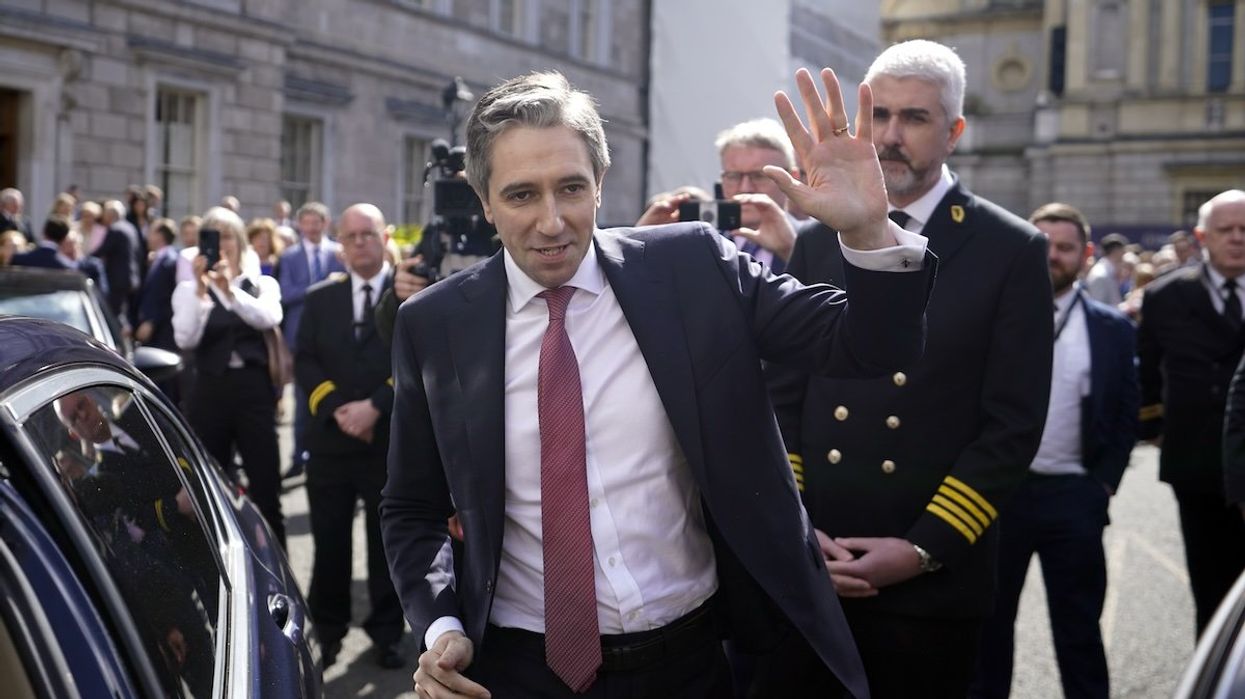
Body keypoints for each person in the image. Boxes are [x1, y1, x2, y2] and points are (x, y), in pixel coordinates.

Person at [382, 68, 935, 699]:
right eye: (521, 195)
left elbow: (869, 348)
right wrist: (441, 625)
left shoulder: (692, 267)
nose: (553, 220)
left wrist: (866, 230)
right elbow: (411, 508)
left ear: (600, 185)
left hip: (692, 662)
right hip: (518, 670)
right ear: (483, 200)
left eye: (570, 187)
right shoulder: (433, 324)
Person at [761, 39, 1053, 698]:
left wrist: (922, 548)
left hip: (929, 577)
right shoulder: (816, 240)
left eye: (914, 119)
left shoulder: (1009, 248)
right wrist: (798, 524)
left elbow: (1011, 424)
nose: (889, 137)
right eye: (879, 117)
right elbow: (782, 401)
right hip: (814, 564)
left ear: (953, 132)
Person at [970, 203, 1138, 699]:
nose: (1052, 257)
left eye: (1065, 248)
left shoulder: (1112, 328)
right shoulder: (985, 319)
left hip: (1074, 497)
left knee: (1080, 629)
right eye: (1042, 246)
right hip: (996, 498)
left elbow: (1125, 413)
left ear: (1086, 255)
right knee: (989, 630)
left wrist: (1103, 484)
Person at [296, 203, 405, 670]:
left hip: (388, 443)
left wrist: (375, 407)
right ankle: (329, 631)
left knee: (388, 546)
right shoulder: (321, 298)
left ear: (385, 238)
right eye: (351, 236)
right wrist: (339, 408)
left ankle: (387, 634)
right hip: (332, 442)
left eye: (368, 234)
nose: (360, 242)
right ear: (339, 245)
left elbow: (418, 362)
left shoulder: (410, 296)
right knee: (330, 542)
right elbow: (305, 360)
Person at [1138, 188, 1245, 635]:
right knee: (1212, 589)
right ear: (1203, 236)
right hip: (1196, 465)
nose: (1238, 238)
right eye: (1226, 230)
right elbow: (1146, 372)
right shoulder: (1166, 296)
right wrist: (1157, 427)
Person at [171, 206, 285, 545]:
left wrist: (230, 292)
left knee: (266, 486)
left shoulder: (260, 284)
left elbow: (269, 318)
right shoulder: (188, 290)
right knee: (207, 488)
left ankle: (280, 570)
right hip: (209, 390)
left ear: (239, 242)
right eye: (213, 236)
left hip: (253, 390)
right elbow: (185, 338)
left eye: (228, 236)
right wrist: (202, 292)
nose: (221, 244)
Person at [637, 120, 799, 274]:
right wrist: (638, 242)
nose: (745, 188)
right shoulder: (697, 240)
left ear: (792, 178)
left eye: (759, 176)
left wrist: (791, 251)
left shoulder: (817, 241)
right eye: (734, 176)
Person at [277, 201, 345, 481]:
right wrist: (320, 291)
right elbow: (286, 292)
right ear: (300, 225)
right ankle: (297, 457)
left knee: (335, 395)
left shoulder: (338, 253)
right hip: (300, 335)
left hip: (334, 335)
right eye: (306, 222)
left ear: (325, 223)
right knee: (302, 401)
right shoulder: (289, 256)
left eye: (317, 222)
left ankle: (331, 453)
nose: (312, 227)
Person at [97, 199, 142, 321]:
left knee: (115, 315)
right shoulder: (131, 228)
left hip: (117, 279)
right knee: (124, 313)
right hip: (131, 278)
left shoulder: (115, 229)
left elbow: (101, 251)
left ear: (111, 215)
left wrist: (84, 258)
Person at [1085, 233, 1128, 306]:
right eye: (1123, 251)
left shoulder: (1107, 271)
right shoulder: (1101, 275)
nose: (1124, 254)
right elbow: (1098, 308)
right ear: (1116, 251)